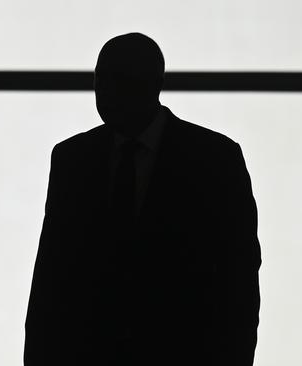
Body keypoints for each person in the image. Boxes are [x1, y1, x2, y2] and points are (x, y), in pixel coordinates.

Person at [24, 33, 261, 366]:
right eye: (99, 79)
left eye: (115, 79)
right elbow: (52, 277)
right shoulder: (72, 159)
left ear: (153, 84)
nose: (103, 90)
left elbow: (236, 281)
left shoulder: (215, 160)